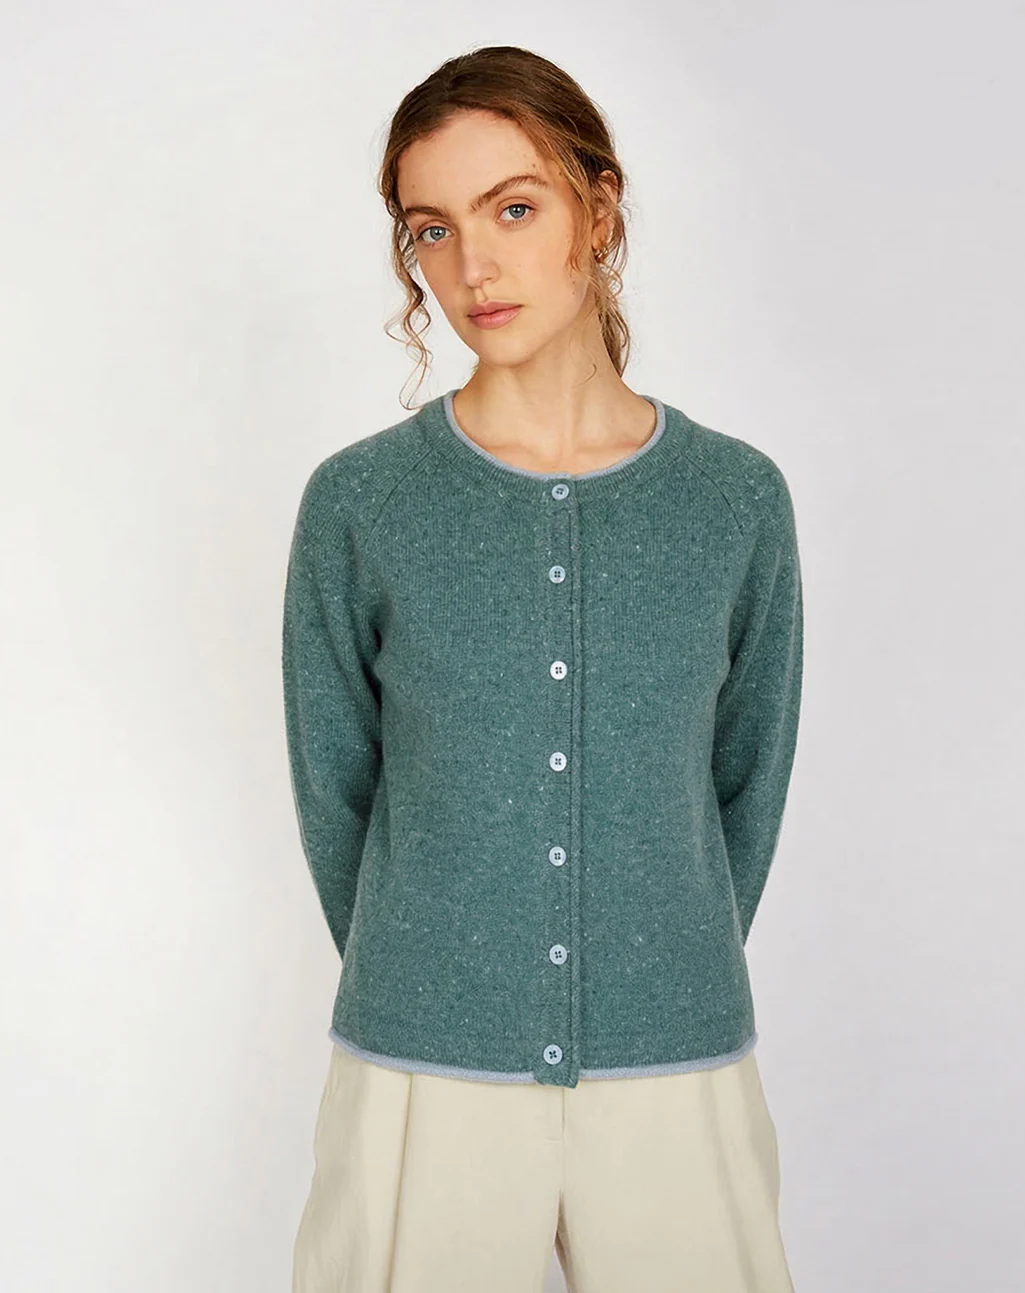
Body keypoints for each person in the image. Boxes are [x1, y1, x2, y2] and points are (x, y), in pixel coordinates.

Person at [283, 44, 803, 1293]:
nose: (471, 266)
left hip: (675, 1059)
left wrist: (653, 952)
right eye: (431, 229)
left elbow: (744, 781)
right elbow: (335, 792)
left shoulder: (733, 501)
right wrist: (442, 965)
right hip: (422, 1071)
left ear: (597, 208)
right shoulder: (361, 503)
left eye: (512, 209)